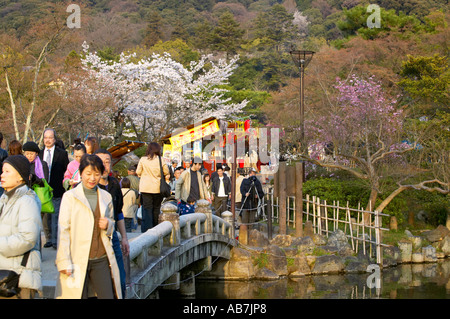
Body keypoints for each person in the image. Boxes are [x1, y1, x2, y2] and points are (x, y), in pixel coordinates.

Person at [55, 154, 122, 299]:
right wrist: (63, 260)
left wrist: (109, 225)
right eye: (88, 173)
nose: (92, 178)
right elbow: (63, 230)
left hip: (101, 258)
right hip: (77, 258)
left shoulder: (106, 196)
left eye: (96, 174)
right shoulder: (70, 197)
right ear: (80, 173)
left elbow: (112, 223)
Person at [0, 155, 42, 299]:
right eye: (2, 171)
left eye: (7, 171)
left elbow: (28, 238)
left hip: (18, 277)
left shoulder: (26, 201)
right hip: (6, 271)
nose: (2, 175)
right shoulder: (5, 198)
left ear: (20, 177)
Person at [94, 149, 129, 297]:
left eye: (107, 161)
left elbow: (119, 212)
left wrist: (125, 238)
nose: (103, 165)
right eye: (100, 162)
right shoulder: (89, 187)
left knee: (120, 280)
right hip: (95, 239)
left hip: (112, 235)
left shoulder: (114, 183)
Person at [39, 128, 70, 249]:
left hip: (57, 187)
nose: (48, 140)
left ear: (54, 139)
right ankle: (48, 239)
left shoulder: (62, 154)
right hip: (43, 189)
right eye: (45, 137)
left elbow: (65, 170)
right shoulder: (40, 153)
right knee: (46, 215)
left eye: (50, 137)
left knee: (56, 214)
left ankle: (56, 240)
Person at [136, 142, 170, 232]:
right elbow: (166, 172)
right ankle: (155, 228)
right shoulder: (160, 159)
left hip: (145, 188)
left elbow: (138, 172)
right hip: (157, 188)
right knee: (156, 209)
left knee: (147, 209)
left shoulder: (143, 159)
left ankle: (147, 230)